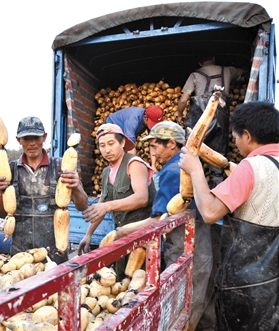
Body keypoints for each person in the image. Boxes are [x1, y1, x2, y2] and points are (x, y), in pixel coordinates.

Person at [179, 101, 279, 331]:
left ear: (247, 135)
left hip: (246, 289)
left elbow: (210, 212)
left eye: (235, 136)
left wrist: (195, 170)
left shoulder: (251, 167)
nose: (235, 142)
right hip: (273, 284)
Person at [115, 121, 213, 331]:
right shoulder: (187, 163)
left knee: (182, 302)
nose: (152, 152)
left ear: (171, 144)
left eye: (154, 146)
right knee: (199, 297)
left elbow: (158, 222)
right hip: (202, 242)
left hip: (186, 244)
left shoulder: (172, 171)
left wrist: (124, 231)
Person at [0, 116, 88, 264]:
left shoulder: (60, 166)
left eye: (36, 137)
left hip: (54, 252)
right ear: (18, 140)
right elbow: (1, 214)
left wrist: (76, 187)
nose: (32, 143)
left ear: (44, 137)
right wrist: (0, 193)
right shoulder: (10, 170)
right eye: (26, 138)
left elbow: (82, 205)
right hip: (21, 255)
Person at [77, 123, 156, 280]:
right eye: (102, 145)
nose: (107, 150)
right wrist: (88, 234)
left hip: (141, 237)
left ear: (122, 143)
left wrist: (107, 206)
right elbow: (100, 206)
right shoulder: (106, 172)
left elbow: (142, 198)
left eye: (111, 144)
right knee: (119, 280)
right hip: (121, 236)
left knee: (138, 281)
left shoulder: (134, 164)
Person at [177, 53, 245, 188]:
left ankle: (192, 196)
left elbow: (184, 99)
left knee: (191, 156)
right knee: (217, 161)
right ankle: (216, 196)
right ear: (213, 59)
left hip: (199, 123)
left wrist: (179, 115)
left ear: (200, 63)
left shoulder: (195, 75)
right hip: (221, 120)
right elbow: (243, 73)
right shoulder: (227, 71)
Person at [106, 105, 164, 170]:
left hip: (125, 130)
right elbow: (130, 145)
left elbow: (153, 143)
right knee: (118, 151)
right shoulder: (133, 120)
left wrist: (153, 165)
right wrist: (134, 168)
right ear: (145, 117)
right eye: (152, 124)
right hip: (112, 125)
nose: (153, 127)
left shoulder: (148, 119)